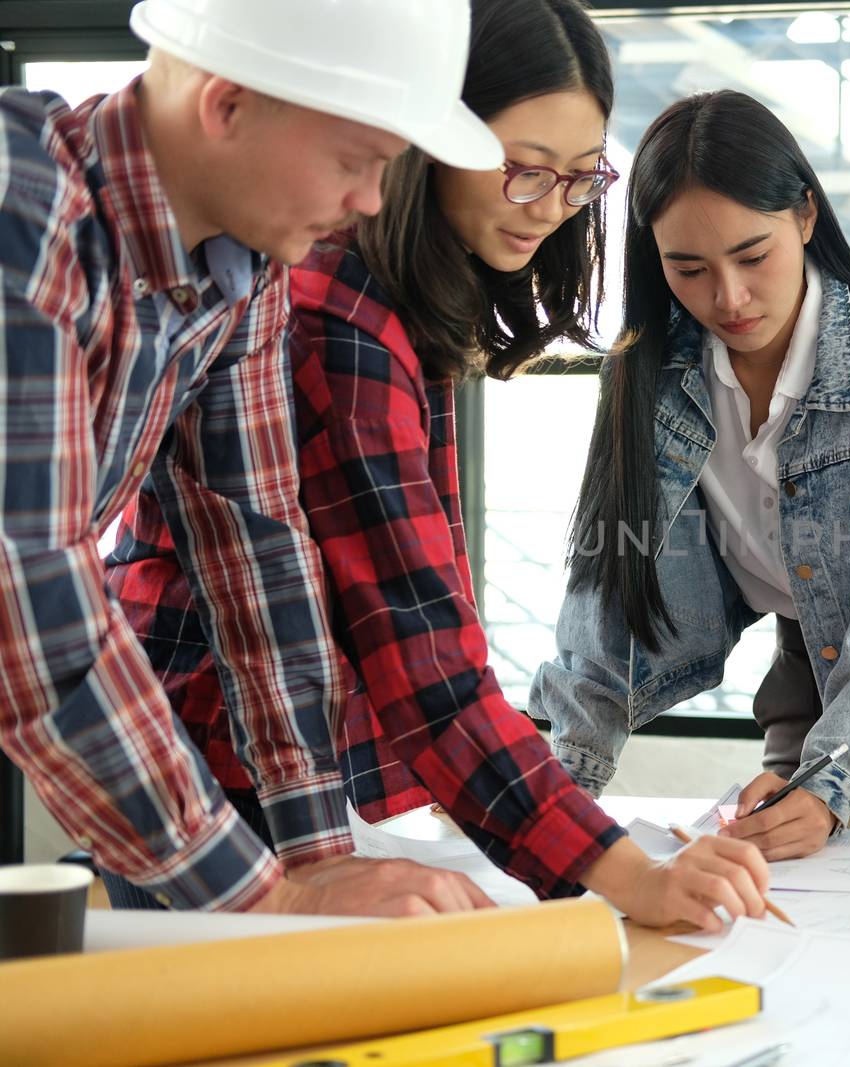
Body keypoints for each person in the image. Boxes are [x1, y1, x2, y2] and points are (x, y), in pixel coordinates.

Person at [106, 0, 770, 931]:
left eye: (580, 179)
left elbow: (326, 615)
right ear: (428, 135)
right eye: (523, 170)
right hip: (209, 772)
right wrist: (623, 873)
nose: (550, 207)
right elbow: (421, 661)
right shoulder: (332, 313)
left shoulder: (403, 295)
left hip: (266, 775)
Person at [0, 0, 510, 913]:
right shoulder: (21, 211)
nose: (372, 202)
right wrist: (267, 901)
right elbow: (29, 592)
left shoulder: (241, 265)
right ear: (227, 103)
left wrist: (314, 855)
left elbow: (257, 551)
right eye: (358, 160)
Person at [538, 90, 850, 862]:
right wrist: (553, 783)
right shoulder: (647, 373)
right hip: (806, 691)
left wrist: (833, 783)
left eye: (753, 255)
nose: (729, 298)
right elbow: (609, 590)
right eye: (689, 268)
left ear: (805, 216)